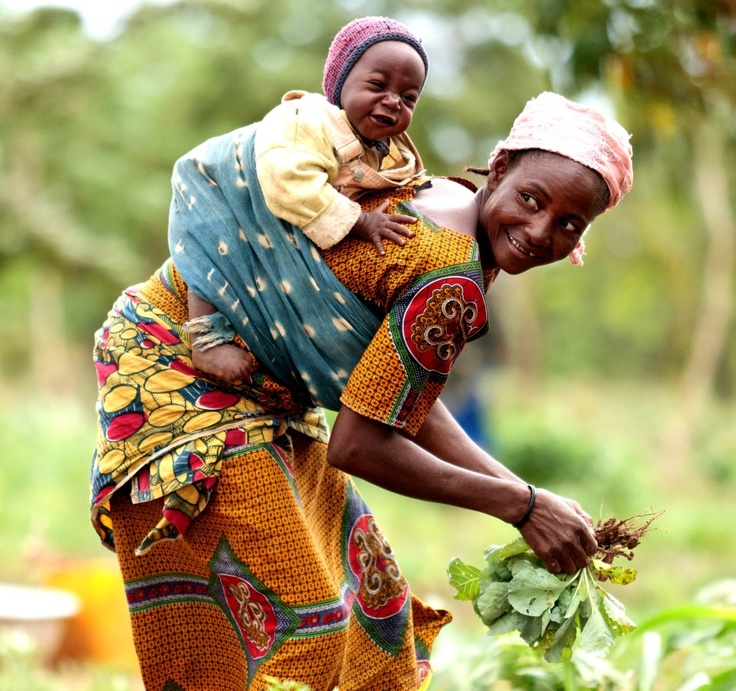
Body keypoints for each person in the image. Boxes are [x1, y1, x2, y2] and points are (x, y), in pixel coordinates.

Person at [91, 91, 633, 690]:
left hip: (261, 388)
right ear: (499, 169)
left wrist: (524, 493)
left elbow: (400, 400)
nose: (538, 231)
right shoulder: (450, 275)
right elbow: (359, 444)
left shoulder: (447, 199)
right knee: (307, 629)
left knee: (376, 606)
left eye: (567, 224)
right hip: (183, 368)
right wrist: (521, 507)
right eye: (531, 200)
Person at [185, 16, 430, 385]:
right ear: (340, 81)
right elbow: (288, 181)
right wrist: (361, 222)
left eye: (409, 98)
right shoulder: (307, 120)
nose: (393, 101)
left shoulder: (387, 150)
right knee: (213, 252)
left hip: (284, 214)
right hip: (222, 191)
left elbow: (400, 182)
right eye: (378, 85)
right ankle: (204, 340)